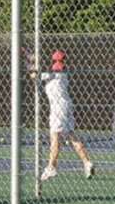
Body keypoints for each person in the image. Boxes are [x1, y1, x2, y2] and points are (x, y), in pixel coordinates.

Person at [29, 49, 94, 181]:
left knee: (54, 137)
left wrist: (30, 64)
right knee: (72, 136)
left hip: (58, 108)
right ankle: (87, 162)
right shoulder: (62, 73)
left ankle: (51, 167)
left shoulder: (53, 73)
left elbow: (34, 76)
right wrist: (33, 63)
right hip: (67, 106)